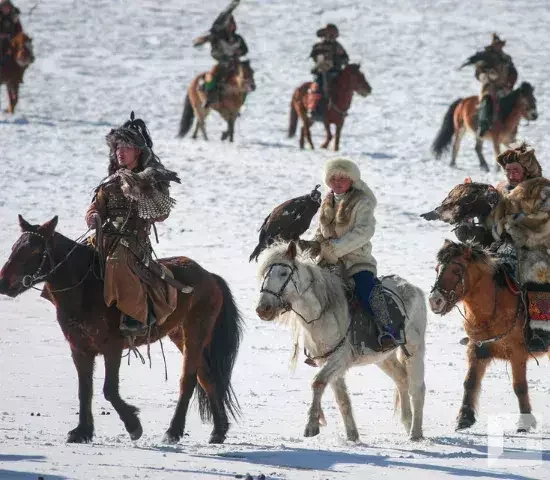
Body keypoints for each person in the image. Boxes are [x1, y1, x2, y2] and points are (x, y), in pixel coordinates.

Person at [85, 112, 180, 338]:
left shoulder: (151, 178)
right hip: (104, 236)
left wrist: (144, 195)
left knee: (117, 261)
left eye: (125, 147)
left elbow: (162, 212)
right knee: (77, 259)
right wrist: (93, 216)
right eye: (117, 147)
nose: (120, 152)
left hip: (133, 241)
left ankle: (135, 315)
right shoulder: (110, 181)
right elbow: (96, 206)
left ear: (137, 150)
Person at [304, 157, 404, 347]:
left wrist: (334, 249)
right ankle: (315, 338)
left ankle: (388, 330)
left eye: (342, 178)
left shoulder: (362, 202)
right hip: (328, 261)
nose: (337, 183)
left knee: (366, 288)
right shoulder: (327, 201)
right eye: (333, 179)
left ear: (352, 180)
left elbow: (363, 232)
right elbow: (321, 230)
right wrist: (312, 245)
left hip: (357, 260)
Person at [193, 0, 249, 109]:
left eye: (233, 24)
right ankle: (208, 98)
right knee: (212, 76)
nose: (232, 26)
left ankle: (240, 102)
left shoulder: (238, 38)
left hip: (236, 64)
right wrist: (201, 40)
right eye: (230, 24)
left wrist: (239, 53)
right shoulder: (218, 37)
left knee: (247, 78)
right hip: (222, 64)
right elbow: (210, 44)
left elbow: (245, 50)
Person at [464, 33, 517, 137]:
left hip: (504, 87)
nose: (499, 46)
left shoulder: (506, 58)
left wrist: (510, 84)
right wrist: (486, 76)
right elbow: (478, 72)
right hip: (489, 87)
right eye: (497, 44)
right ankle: (483, 125)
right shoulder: (485, 57)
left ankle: (512, 127)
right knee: (487, 101)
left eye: (500, 44)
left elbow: (513, 73)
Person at [306, 24, 349, 116]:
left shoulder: (337, 47)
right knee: (317, 87)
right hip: (321, 72)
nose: (331, 38)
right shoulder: (318, 46)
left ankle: (342, 107)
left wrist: (339, 61)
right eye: (330, 35)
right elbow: (314, 56)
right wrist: (319, 60)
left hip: (335, 71)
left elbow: (345, 58)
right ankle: (312, 107)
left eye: (333, 36)